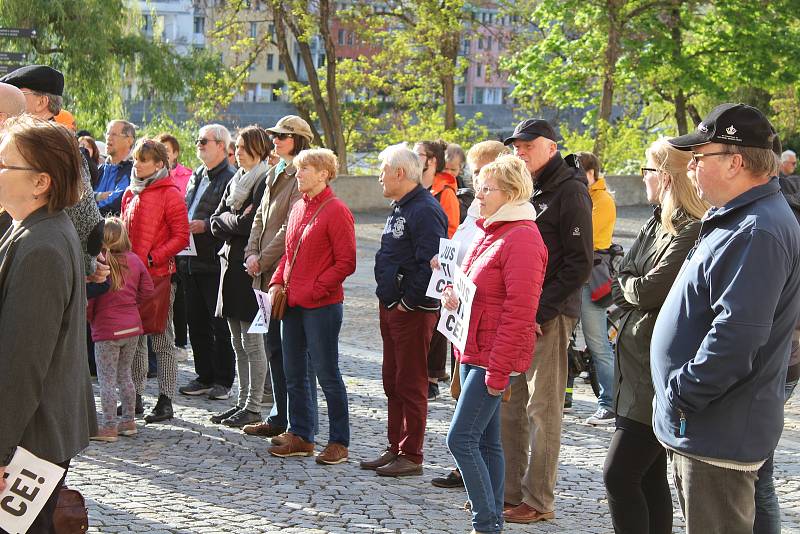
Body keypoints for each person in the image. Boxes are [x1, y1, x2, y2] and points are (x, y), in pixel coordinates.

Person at [651, 103, 800, 534]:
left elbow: (735, 341)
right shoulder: (742, 217)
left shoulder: (758, 229)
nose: (692, 168)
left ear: (736, 162)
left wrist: (681, 394)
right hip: (707, 427)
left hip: (715, 432)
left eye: (700, 157)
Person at [603, 139, 707, 534]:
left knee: (619, 474)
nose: (643, 178)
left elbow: (647, 290)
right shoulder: (653, 222)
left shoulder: (689, 229)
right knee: (647, 477)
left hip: (654, 372)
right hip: (633, 367)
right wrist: (631, 285)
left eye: (647, 170)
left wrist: (630, 285)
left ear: (664, 176)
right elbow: (621, 279)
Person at [0, 115, 96, 532]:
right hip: (31, 432)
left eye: (5, 165)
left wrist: (0, 452)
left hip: (28, 440)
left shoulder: (42, 245)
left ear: (41, 182)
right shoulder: (32, 229)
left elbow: (21, 363)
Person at [442, 154, 547, 534]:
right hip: (474, 348)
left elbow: (520, 313)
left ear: (512, 192)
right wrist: (453, 293)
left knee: (460, 439)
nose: (479, 193)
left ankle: (486, 523)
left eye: (487, 188)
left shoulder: (521, 237)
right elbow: (471, 284)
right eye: (479, 185)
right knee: (487, 443)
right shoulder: (492, 230)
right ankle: (493, 520)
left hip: (492, 355)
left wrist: (499, 371)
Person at [502, 119, 593, 524]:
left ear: (551, 147)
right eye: (516, 146)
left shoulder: (570, 189)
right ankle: (508, 491)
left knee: (543, 409)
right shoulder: (530, 186)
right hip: (521, 313)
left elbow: (579, 264)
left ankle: (539, 500)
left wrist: (540, 311)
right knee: (511, 407)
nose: (519, 151)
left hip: (548, 317)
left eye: (527, 145)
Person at [360, 144, 447, 477]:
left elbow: (431, 262)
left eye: (383, 170)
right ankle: (395, 445)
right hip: (392, 306)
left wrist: (406, 302)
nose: (380, 177)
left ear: (399, 172)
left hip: (410, 311)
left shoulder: (425, 209)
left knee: (410, 383)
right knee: (392, 380)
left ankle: (412, 454)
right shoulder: (401, 206)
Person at [266, 148, 356, 464]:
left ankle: (339, 441)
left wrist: (315, 289)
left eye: (306, 169)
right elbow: (288, 255)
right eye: (299, 168)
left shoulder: (337, 210)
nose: (299, 173)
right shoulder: (297, 207)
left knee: (326, 373)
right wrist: (277, 281)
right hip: (291, 303)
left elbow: (346, 263)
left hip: (322, 306)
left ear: (324, 174)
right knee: (293, 372)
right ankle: (302, 435)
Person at [430, 139, 510, 491]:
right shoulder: (478, 211)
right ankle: (478, 487)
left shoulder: (509, 225)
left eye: (481, 175)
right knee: (472, 416)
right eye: (474, 174)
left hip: (485, 330)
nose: (474, 183)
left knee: (471, 430)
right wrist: (444, 265)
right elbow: (463, 251)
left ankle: (487, 508)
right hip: (463, 321)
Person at [241, 115, 308, 440]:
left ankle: (295, 421)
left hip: (282, 275)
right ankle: (278, 414)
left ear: (298, 140)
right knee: (272, 346)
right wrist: (250, 253)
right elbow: (259, 219)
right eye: (275, 135)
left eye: (283, 136)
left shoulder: (301, 175)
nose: (276, 140)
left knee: (289, 352)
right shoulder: (273, 172)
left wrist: (262, 257)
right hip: (263, 273)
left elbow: (288, 228)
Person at [121, 139, 190, 423]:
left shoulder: (170, 193)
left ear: (159, 164)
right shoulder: (131, 192)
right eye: (136, 159)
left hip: (159, 276)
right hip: (130, 277)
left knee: (161, 338)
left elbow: (181, 236)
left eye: (144, 160)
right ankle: (135, 397)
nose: (137, 164)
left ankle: (166, 399)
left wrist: (152, 258)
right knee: (134, 339)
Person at [209, 126, 272, 427]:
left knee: (252, 342)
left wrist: (228, 221)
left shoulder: (263, 180)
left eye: (245, 146)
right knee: (236, 340)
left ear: (259, 148)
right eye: (238, 146)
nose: (239, 151)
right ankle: (240, 402)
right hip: (228, 266)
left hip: (249, 270)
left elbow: (250, 224)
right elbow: (214, 220)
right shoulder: (236, 180)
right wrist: (230, 220)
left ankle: (254, 405)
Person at [178, 124, 237, 401]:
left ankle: (223, 380)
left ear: (222, 147)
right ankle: (204, 375)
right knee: (196, 322)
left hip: (214, 260)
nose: (199, 144)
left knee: (219, 325)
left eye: (205, 141)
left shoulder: (231, 176)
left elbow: (231, 218)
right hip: (190, 258)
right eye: (198, 140)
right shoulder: (197, 173)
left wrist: (206, 225)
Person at [87, 218, 154, 441]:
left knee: (106, 379)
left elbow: (92, 300)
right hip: (132, 327)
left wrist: (89, 321)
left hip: (107, 329)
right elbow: (147, 290)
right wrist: (132, 306)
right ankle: (128, 421)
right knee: (125, 375)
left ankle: (108, 427)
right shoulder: (135, 261)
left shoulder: (101, 265)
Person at [571, 151, 617, 424]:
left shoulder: (602, 200)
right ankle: (564, 397)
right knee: (564, 341)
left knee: (597, 343)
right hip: (577, 275)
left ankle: (609, 402)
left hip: (590, 277)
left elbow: (584, 236)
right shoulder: (585, 196)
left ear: (591, 173)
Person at [414, 139, 459, 399]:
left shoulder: (446, 193)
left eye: (418, 155)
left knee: (436, 317)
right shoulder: (419, 189)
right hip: (421, 263)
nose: (414, 158)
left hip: (439, 266)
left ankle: (432, 376)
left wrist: (439, 257)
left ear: (431, 161)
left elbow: (452, 230)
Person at [155, 133, 192, 358]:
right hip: (154, 255)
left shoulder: (186, 176)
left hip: (174, 251)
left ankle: (179, 342)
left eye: (167, 150)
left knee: (177, 300)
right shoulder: (139, 186)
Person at [96, 120, 136, 215]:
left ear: (129, 140)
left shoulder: (133, 172)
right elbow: (83, 197)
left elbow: (116, 203)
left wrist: (93, 200)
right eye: (107, 133)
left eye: (114, 134)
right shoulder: (100, 169)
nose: (108, 138)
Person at [156, 133, 193, 197]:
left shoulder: (189, 177)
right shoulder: (149, 175)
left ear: (175, 154)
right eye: (158, 150)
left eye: (166, 150)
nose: (161, 154)